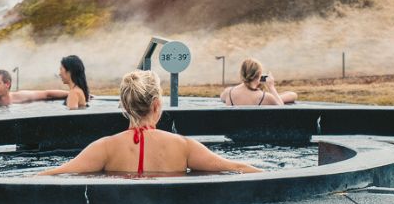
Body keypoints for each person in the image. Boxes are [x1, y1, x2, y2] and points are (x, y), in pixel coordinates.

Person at [38, 69, 261, 176]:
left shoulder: (105, 147)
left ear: (124, 107)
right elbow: (239, 168)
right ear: (156, 105)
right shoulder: (183, 146)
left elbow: (52, 174)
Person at [220, 58, 297, 106]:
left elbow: (222, 97)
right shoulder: (265, 97)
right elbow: (282, 108)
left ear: (242, 73)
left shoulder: (228, 92)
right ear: (259, 75)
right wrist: (271, 87)